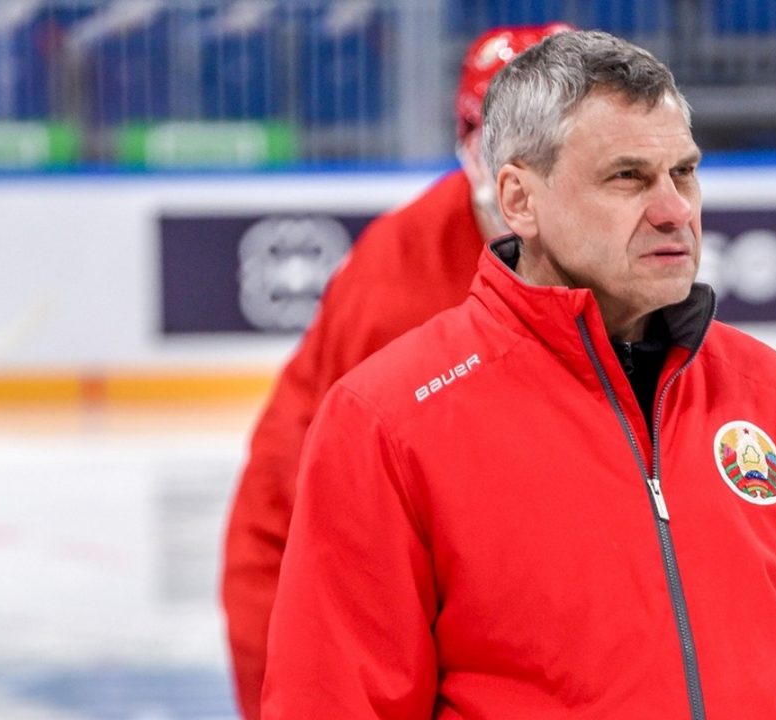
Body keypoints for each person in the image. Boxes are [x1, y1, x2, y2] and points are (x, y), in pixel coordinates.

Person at [262, 30, 776, 719]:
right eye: (627, 177)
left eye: (684, 173)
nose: (674, 210)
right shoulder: (390, 422)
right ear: (519, 200)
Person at [218, 23, 571, 720]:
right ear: (471, 141)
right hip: (327, 602)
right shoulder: (397, 292)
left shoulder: (612, 254)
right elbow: (329, 539)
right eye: (509, 138)